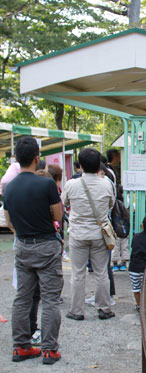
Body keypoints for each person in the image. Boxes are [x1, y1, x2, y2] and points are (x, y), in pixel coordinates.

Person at [4, 136, 63, 364]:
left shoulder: (9, 187)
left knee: (22, 297)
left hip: (23, 246)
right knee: (49, 299)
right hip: (46, 245)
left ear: (17, 159)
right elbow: (57, 215)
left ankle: (21, 346)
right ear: (37, 157)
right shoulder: (47, 184)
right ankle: (49, 349)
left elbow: (9, 221)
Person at [62, 148, 116, 321]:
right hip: (100, 234)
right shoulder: (107, 183)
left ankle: (77, 311)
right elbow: (111, 203)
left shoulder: (71, 184)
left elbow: (64, 202)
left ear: (81, 165)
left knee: (78, 273)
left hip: (78, 234)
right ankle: (104, 308)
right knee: (101, 272)